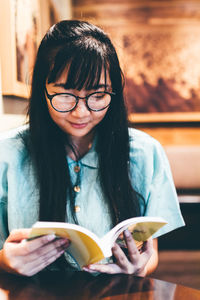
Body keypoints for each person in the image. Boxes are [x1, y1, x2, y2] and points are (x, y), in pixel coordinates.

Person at [0, 20, 184, 277]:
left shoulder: (145, 153)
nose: (81, 112)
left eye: (98, 95)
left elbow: (150, 254)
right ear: (42, 89)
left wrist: (139, 269)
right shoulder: (7, 154)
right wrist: (5, 262)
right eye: (65, 94)